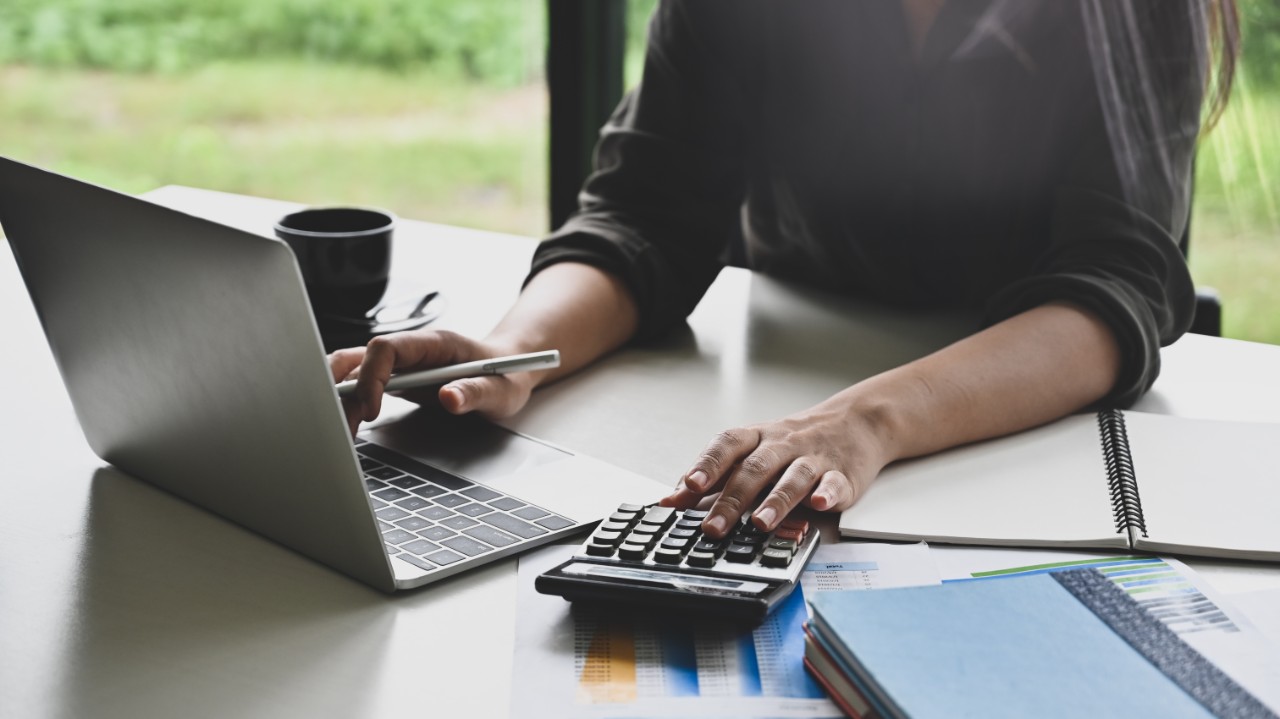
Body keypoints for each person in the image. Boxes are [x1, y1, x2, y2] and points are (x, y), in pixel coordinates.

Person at [330, 0, 1239, 540]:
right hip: (789, 403)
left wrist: (866, 420)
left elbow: (1111, 287)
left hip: (1030, 450)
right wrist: (511, 351)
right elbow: (647, 212)